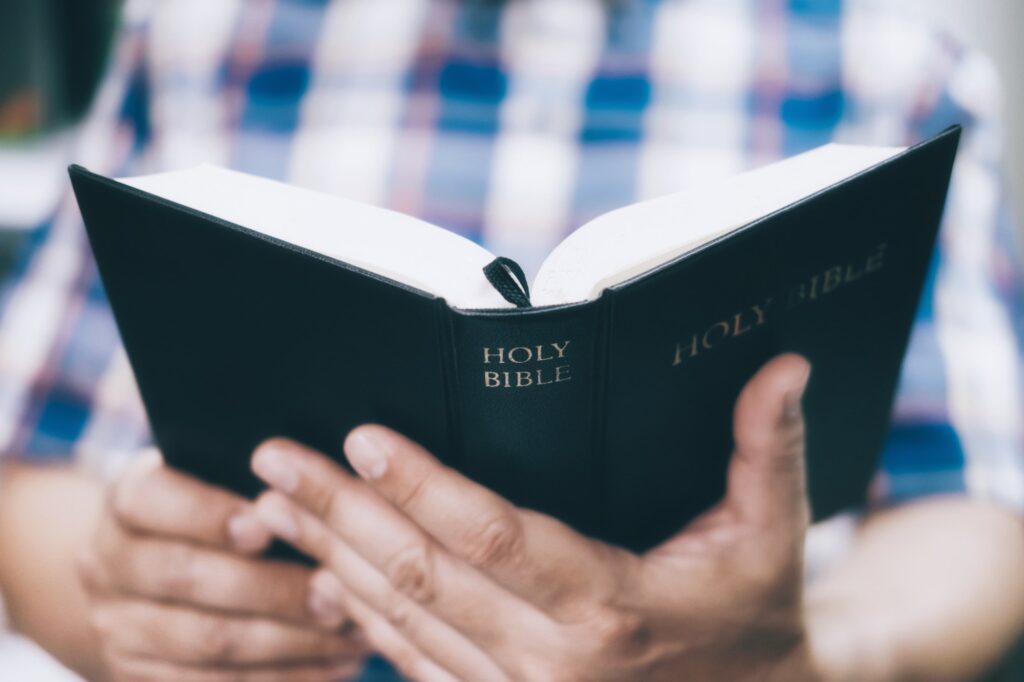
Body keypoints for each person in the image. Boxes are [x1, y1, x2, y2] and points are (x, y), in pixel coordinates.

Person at [0, 0, 1022, 680]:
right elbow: (29, 460)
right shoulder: (197, 30)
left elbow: (983, 506)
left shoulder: (893, 61)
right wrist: (129, 601)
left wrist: (804, 657)